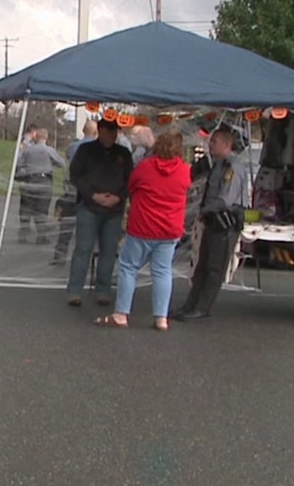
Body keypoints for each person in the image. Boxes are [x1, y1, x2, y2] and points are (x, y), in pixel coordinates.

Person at [94, 131, 191, 331]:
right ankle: (161, 318)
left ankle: (121, 313)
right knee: (163, 272)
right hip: (169, 229)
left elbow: (131, 185)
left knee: (129, 267)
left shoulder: (145, 167)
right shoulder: (184, 170)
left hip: (143, 226)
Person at [173, 127, 249, 321]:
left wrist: (202, 211)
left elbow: (225, 200)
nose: (210, 145)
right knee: (202, 266)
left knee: (214, 268)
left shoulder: (232, 168)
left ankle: (202, 307)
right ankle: (191, 304)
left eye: (214, 142)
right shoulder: (217, 165)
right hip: (212, 221)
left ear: (225, 144)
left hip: (224, 222)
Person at [66, 118, 134, 306]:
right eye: (107, 131)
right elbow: (76, 176)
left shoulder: (124, 154)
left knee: (109, 251)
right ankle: (74, 290)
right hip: (89, 206)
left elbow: (131, 180)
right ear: (100, 130)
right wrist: (93, 196)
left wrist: (119, 197)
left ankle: (103, 289)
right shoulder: (86, 151)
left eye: (114, 131)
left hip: (114, 209)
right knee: (83, 249)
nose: (111, 135)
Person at [53, 120, 99, 265]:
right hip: (89, 193)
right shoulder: (99, 148)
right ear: (96, 133)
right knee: (89, 228)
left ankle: (60, 255)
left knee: (66, 226)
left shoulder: (73, 146)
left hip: (72, 190)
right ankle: (85, 257)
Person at [15, 128, 65, 244]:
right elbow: (61, 163)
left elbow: (19, 164)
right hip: (44, 181)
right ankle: (41, 237)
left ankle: (23, 235)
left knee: (25, 209)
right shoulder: (48, 150)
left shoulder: (28, 150)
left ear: (36, 137)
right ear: (46, 138)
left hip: (29, 181)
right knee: (42, 210)